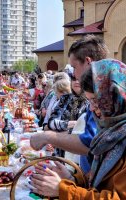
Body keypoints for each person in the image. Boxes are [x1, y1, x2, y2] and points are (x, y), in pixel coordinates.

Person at [30, 59, 126, 199]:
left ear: (115, 96)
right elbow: (101, 180)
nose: (92, 108)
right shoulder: (111, 129)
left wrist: (63, 190)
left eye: (96, 100)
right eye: (89, 101)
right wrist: (73, 179)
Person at [30, 35, 108, 172]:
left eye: (74, 67)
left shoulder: (105, 97)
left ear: (88, 62)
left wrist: (48, 136)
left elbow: (89, 143)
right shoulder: (95, 93)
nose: (74, 75)